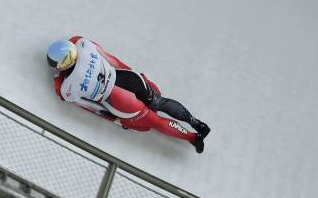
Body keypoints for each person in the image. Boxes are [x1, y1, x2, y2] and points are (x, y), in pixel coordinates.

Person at [46, 36, 211, 153]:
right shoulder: (83, 45)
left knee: (157, 122)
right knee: (159, 102)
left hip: (120, 102)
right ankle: (196, 123)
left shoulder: (67, 86)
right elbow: (110, 58)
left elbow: (87, 105)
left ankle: (193, 137)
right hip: (130, 79)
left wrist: (115, 119)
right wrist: (134, 72)